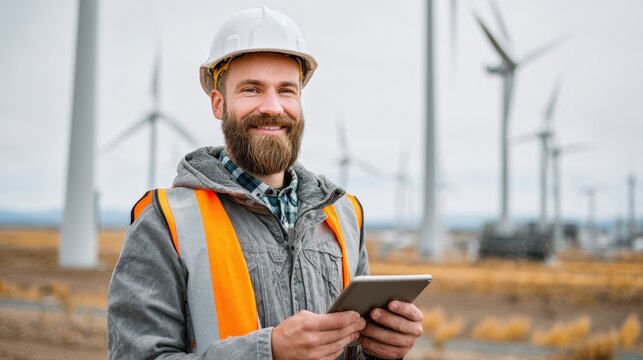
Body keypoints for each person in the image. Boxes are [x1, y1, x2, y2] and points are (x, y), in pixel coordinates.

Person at [107, 6, 424, 359]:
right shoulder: (166, 221)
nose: (273, 106)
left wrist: (384, 349)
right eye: (252, 90)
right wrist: (268, 351)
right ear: (218, 103)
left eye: (287, 90)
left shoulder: (343, 215)